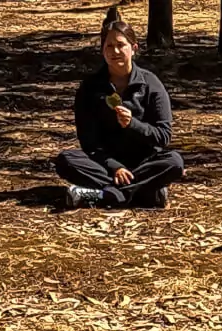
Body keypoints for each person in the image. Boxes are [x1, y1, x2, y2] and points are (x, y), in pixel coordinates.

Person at [54, 10, 184, 210]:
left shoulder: (150, 84)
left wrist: (134, 124)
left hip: (144, 161)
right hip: (105, 163)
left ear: (134, 48)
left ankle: (108, 195)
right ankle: (146, 192)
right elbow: (89, 143)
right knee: (65, 160)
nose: (115, 52)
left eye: (121, 45)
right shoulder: (90, 88)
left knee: (174, 162)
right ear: (102, 50)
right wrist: (115, 166)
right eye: (109, 46)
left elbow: (163, 136)